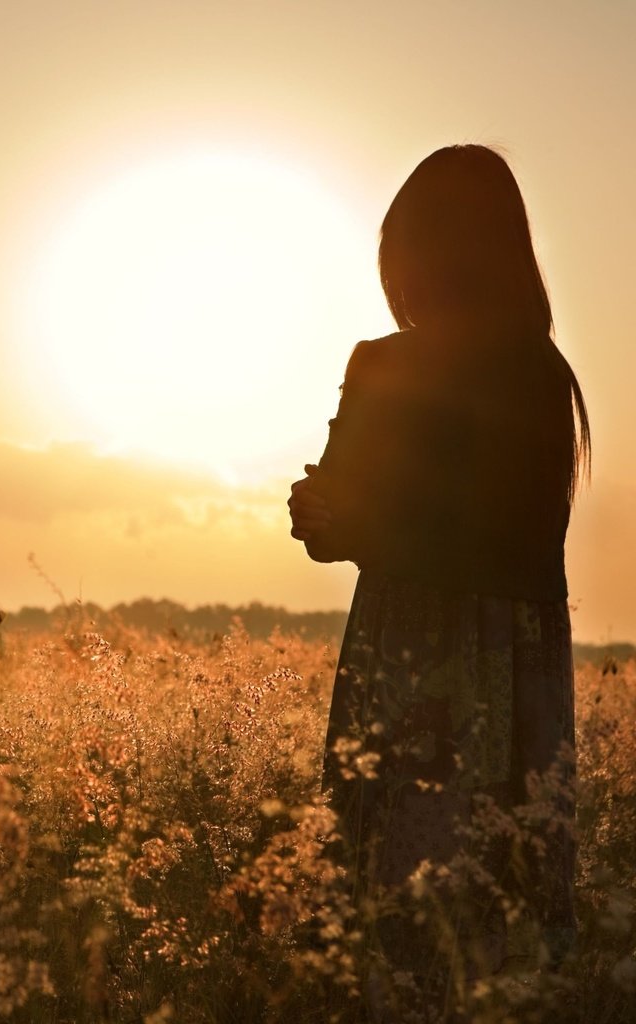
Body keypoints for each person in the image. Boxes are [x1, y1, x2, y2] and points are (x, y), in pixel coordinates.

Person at [287, 145, 589, 1000]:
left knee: (393, 918)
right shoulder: (543, 375)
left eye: (406, 248)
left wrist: (337, 521)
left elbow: (405, 527)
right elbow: (477, 532)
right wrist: (333, 519)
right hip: (512, 663)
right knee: (493, 934)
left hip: (412, 647)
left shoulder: (404, 365)